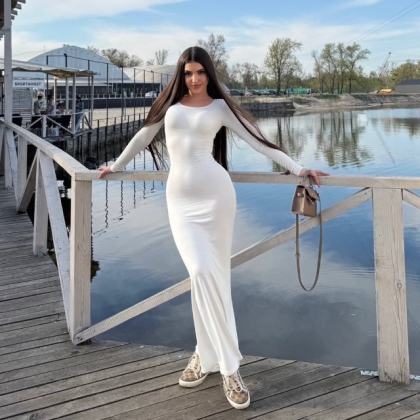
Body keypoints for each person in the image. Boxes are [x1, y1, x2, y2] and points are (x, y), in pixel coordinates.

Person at [98, 46, 329, 410]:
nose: (194, 79)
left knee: (212, 278)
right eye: (188, 73)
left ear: (209, 73)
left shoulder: (220, 108)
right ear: (181, 75)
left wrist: (298, 169)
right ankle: (223, 362)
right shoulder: (168, 107)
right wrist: (116, 166)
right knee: (201, 272)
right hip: (181, 204)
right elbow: (143, 137)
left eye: (200, 72)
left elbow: (258, 141)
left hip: (217, 199)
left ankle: (213, 361)